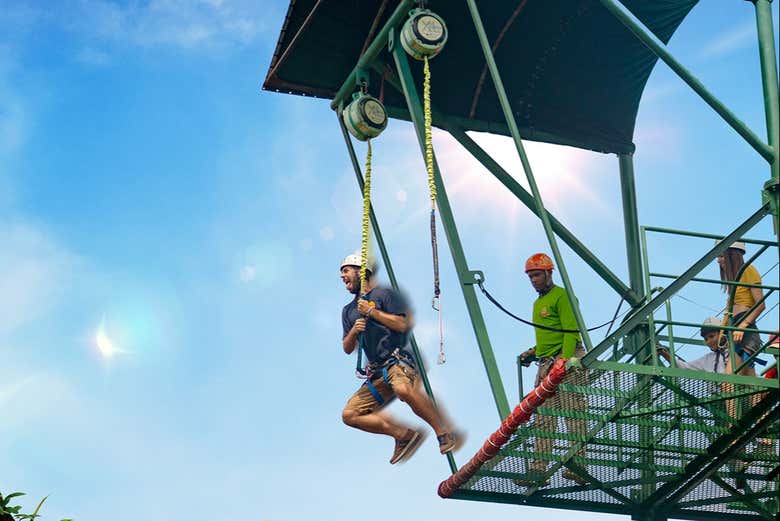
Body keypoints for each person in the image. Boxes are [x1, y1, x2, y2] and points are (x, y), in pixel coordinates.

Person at [339, 251, 462, 464]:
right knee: (350, 414)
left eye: (347, 271)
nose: (343, 277)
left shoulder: (383, 295)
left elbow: (403, 324)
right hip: (377, 371)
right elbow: (347, 348)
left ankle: (444, 432)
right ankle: (404, 436)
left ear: (362, 272)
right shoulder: (348, 311)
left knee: (403, 389)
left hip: (398, 361)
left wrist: (372, 313)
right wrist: (354, 331)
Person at [515, 253, 588, 486]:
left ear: (549, 273)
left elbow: (570, 331)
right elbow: (550, 337)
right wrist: (533, 352)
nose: (534, 280)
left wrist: (565, 360)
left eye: (537, 275)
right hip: (547, 362)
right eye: (530, 277)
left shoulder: (562, 296)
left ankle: (579, 465)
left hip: (567, 358)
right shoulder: (538, 304)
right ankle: (538, 470)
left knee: (573, 412)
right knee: (544, 419)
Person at [717, 241, 766, 376]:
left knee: (728, 381)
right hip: (735, 328)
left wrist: (743, 325)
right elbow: (729, 310)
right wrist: (722, 331)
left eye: (721, 256)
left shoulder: (748, 270)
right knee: (750, 382)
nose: (718, 260)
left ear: (732, 255)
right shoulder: (732, 281)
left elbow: (761, 304)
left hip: (744, 329)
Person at [657, 317, 729, 373]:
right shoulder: (707, 359)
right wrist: (665, 354)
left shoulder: (735, 350)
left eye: (711, 336)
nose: (709, 341)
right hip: (720, 391)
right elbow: (684, 368)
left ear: (722, 334)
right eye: (706, 339)